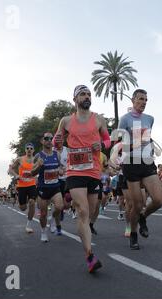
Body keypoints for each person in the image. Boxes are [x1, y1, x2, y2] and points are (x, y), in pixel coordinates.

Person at [53, 84, 108, 272]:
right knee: (83, 211)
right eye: (82, 94)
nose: (86, 97)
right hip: (75, 171)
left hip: (93, 170)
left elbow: (108, 141)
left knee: (92, 211)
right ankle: (90, 256)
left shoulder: (99, 119)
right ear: (75, 99)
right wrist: (57, 141)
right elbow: (56, 140)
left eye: (88, 94)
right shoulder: (66, 121)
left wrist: (100, 144)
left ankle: (88, 248)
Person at [117, 89, 162, 250]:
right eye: (140, 99)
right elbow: (119, 144)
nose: (143, 102)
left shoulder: (149, 119)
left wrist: (148, 146)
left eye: (146, 99)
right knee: (137, 204)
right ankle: (133, 234)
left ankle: (143, 217)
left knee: (159, 200)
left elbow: (148, 140)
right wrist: (133, 144)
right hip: (131, 164)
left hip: (147, 162)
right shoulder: (124, 120)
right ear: (133, 100)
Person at [31, 133, 65, 242]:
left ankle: (53, 220)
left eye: (51, 138)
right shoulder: (38, 156)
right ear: (42, 141)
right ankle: (43, 232)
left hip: (55, 186)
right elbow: (32, 172)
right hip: (43, 188)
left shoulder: (57, 154)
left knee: (59, 207)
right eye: (46, 138)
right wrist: (39, 166)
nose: (49, 140)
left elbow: (61, 167)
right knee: (43, 214)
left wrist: (60, 171)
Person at [9, 143, 38, 233]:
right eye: (27, 148)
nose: (29, 149)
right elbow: (10, 169)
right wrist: (16, 175)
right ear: (25, 150)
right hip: (21, 186)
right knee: (23, 208)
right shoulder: (20, 159)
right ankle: (21, 203)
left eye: (31, 148)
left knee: (32, 202)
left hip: (32, 185)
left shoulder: (36, 160)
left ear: (33, 150)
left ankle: (28, 225)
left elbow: (39, 170)